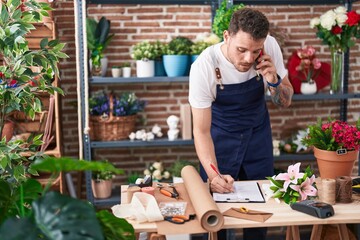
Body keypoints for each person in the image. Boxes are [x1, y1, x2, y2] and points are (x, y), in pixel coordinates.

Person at [189, 7, 293, 240]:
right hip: (220, 141)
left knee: (260, 214)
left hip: (258, 137)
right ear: (227, 36)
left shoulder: (270, 46)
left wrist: (274, 81)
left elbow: (285, 101)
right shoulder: (204, 66)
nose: (248, 58)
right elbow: (201, 131)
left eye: (255, 51)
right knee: (216, 217)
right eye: (241, 50)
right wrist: (214, 175)